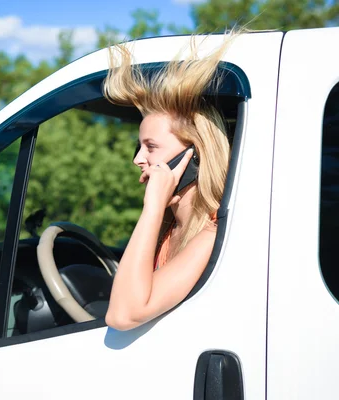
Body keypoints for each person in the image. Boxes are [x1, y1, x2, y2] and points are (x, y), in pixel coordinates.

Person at [103, 31, 237, 331]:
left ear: (195, 155)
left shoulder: (213, 233)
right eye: (139, 147)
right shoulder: (169, 228)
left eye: (151, 147)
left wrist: (152, 207)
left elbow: (122, 316)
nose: (138, 159)